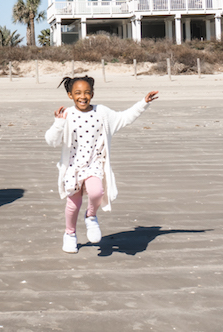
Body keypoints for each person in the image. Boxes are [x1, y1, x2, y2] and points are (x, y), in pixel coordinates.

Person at [45, 75, 158, 253]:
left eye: (87, 93)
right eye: (78, 93)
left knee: (97, 192)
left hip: (95, 165)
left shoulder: (102, 113)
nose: (83, 96)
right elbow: (51, 141)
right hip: (73, 168)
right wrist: (58, 123)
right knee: (73, 205)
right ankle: (70, 234)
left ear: (92, 94)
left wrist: (143, 103)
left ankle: (91, 217)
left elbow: (124, 118)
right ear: (70, 95)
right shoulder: (66, 114)